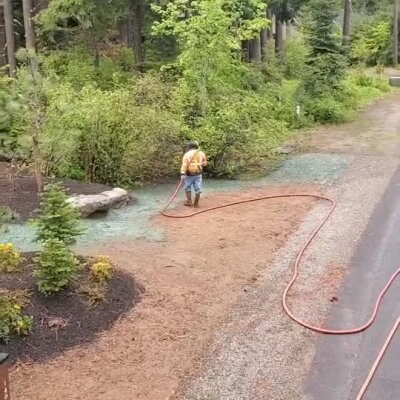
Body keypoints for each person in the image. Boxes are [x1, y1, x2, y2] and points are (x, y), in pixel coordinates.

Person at [180, 141, 207, 208]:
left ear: (190, 147)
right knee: (198, 189)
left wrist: (182, 174)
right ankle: (196, 203)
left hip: (189, 174)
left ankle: (189, 202)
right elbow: (205, 163)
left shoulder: (187, 154)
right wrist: (201, 164)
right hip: (198, 174)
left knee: (187, 188)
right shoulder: (201, 153)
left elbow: (184, 165)